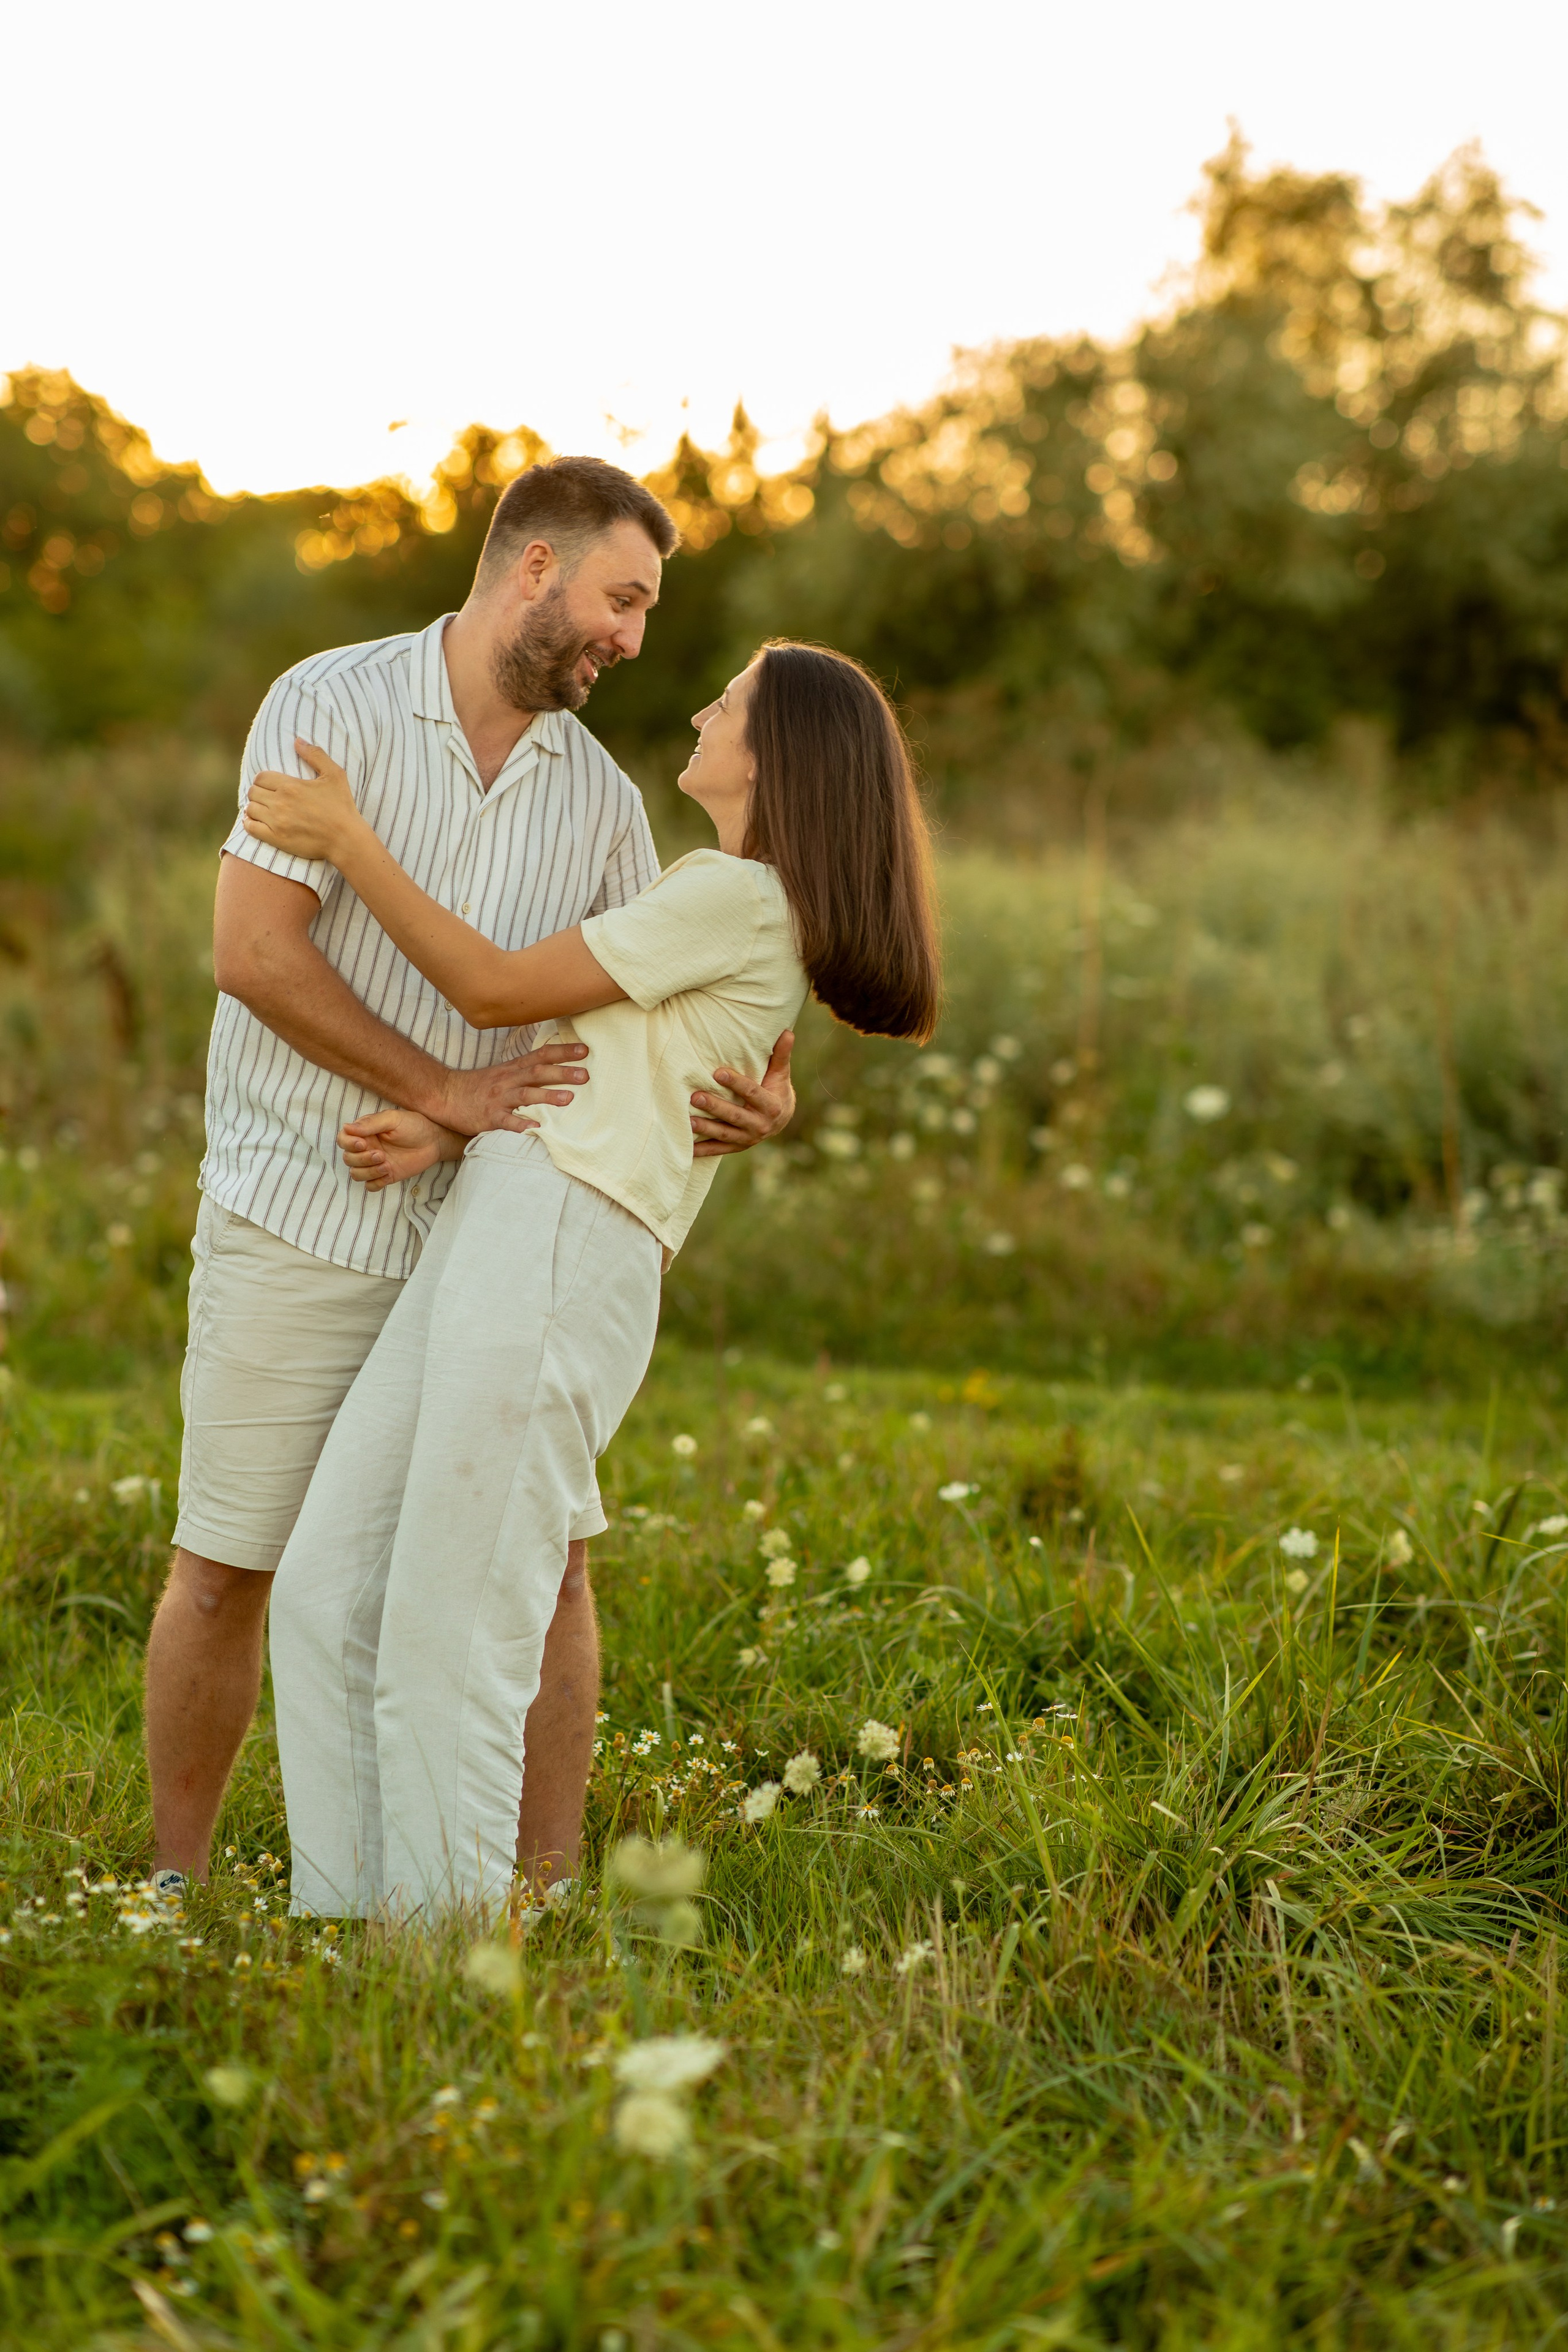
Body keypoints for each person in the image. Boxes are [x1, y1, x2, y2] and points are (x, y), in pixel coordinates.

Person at [145, 456, 796, 1905]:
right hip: (301, 1203)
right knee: (233, 1564)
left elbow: (656, 996)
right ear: (533, 569)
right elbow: (254, 955)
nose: (631, 638)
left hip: (500, 1226)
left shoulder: (604, 806)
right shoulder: (333, 704)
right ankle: (174, 1892)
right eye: (621, 599)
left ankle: (537, 1889)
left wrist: (771, 1087)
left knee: (549, 1568)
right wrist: (437, 1091)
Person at [240, 639, 941, 1917]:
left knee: (455, 1626)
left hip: (563, 1245)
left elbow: (495, 987)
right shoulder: (720, 898)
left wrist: (348, 841)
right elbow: (595, 1066)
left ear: (775, 754)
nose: (694, 703)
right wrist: (453, 1124)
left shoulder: (732, 895)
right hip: (508, 1215)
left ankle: (439, 1969)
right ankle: (346, 1926)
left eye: (723, 700)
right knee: (332, 1580)